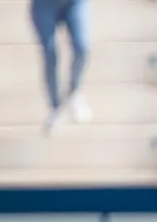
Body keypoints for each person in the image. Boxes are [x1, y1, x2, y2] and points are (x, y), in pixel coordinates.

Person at [30, 0, 92, 132]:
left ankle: (74, 91)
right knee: (50, 52)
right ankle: (55, 107)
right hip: (44, 5)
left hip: (74, 3)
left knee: (82, 49)